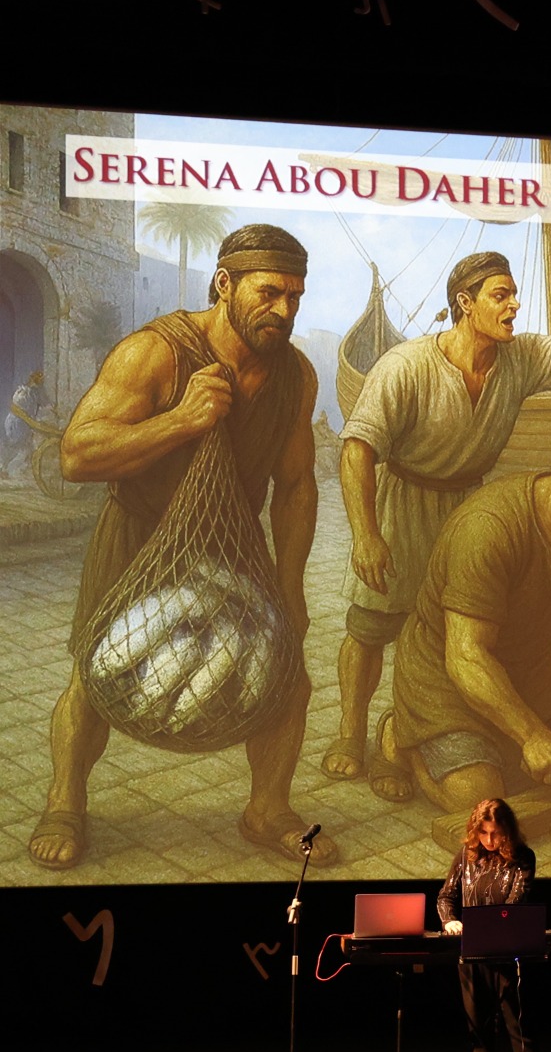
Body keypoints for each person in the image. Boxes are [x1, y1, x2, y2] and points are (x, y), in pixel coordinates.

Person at [325, 247, 551, 797]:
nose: (514, 305)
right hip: (401, 502)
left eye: (515, 294)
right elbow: (357, 449)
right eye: (501, 295)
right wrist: (366, 534)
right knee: (371, 625)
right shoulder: (405, 366)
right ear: (465, 303)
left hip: (465, 503)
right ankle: (355, 733)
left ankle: (439, 727)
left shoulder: (520, 359)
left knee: (467, 628)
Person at [29, 225, 329, 870]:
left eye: (295, 297)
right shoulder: (155, 353)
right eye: (269, 292)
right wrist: (181, 420)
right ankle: (64, 802)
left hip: (231, 544)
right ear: (223, 284)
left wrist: (292, 587)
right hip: (138, 534)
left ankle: (267, 808)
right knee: (94, 674)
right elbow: (77, 455)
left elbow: (297, 484)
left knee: (288, 679)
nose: (284, 310)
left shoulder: (295, 375)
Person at [380, 420, 551, 813]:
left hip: (529, 672)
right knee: (480, 798)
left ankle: (501, 744)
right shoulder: (488, 527)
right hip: (445, 674)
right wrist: (531, 736)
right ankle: (400, 737)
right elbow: (466, 656)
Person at [437, 797, 539, 1052]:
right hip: (471, 956)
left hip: (506, 954)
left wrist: (493, 927)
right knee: (478, 1025)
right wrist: (449, 921)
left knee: (518, 1025)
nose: (489, 840)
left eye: (496, 833)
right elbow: (446, 896)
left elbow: (517, 901)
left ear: (507, 830)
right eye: (483, 833)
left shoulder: (522, 858)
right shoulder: (465, 857)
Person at [4, 369, 48, 478]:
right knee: (22, 448)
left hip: (20, 422)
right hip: (18, 423)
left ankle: (8, 469)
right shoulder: (24, 392)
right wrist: (32, 422)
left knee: (24, 448)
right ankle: (9, 471)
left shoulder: (31, 392)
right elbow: (19, 409)